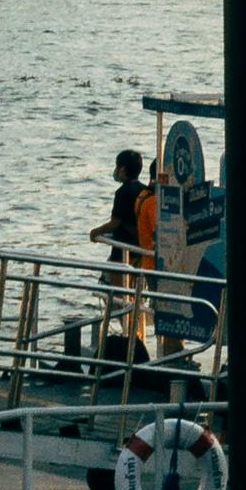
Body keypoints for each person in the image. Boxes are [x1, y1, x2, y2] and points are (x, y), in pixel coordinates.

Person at [97, 149, 158, 357]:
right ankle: (137, 335)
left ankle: (130, 338)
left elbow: (116, 222)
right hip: (140, 251)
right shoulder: (143, 192)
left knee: (114, 294)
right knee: (134, 297)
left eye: (117, 167)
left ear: (122, 169)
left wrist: (95, 232)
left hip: (122, 252)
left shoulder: (122, 193)